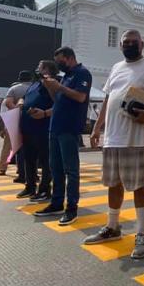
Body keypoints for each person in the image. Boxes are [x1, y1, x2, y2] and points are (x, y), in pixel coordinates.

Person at [85, 30, 144, 259]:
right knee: (113, 184)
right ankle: (113, 227)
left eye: (134, 42)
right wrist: (97, 128)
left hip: (136, 139)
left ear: (142, 44)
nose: (130, 45)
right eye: (126, 42)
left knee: (139, 185)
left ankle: (142, 233)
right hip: (113, 138)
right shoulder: (116, 67)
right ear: (121, 45)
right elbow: (107, 99)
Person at [34, 47, 92, 225]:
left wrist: (58, 86)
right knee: (55, 168)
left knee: (70, 170)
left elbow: (81, 97)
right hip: (55, 127)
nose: (59, 65)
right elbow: (57, 100)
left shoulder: (82, 73)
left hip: (69, 128)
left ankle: (71, 208)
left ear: (70, 58)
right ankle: (57, 202)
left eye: (61, 61)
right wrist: (50, 87)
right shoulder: (66, 76)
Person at [17, 61, 56, 202]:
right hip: (28, 127)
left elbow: (59, 103)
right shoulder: (34, 84)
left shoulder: (53, 83)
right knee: (29, 158)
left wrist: (45, 113)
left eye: (40, 66)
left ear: (47, 69)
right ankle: (30, 186)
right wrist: (21, 102)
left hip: (43, 128)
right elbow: (25, 96)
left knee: (46, 161)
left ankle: (45, 189)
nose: (37, 69)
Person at [0, 71, 33, 178]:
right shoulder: (34, 88)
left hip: (13, 119)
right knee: (27, 146)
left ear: (20, 78)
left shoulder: (14, 88)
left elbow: (8, 103)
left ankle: (2, 168)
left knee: (8, 146)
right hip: (30, 118)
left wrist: (17, 110)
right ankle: (24, 169)